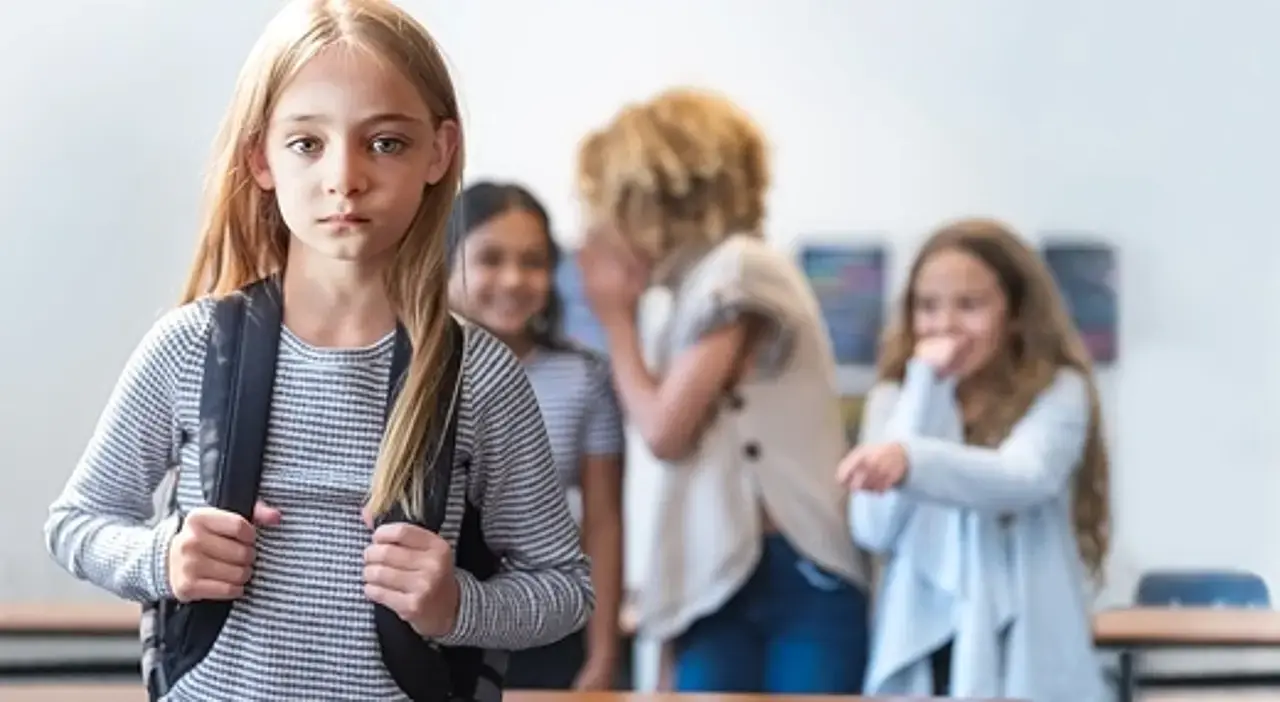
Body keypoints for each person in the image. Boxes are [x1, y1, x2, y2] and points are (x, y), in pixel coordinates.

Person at [42, 1, 592, 700]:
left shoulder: (478, 376)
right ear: (260, 157)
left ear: (439, 152)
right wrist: (164, 555)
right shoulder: (189, 348)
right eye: (307, 142)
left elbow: (564, 588)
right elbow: (76, 525)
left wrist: (457, 606)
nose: (345, 177)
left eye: (385, 142)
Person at [573, 87, 871, 694]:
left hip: (794, 570)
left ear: (655, 194)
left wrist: (615, 318)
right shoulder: (693, 289)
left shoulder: (740, 268)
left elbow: (664, 429)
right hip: (724, 574)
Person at [838, 218, 1110, 701]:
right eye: (928, 306)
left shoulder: (1058, 392)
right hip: (926, 649)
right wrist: (922, 387)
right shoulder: (894, 399)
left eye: (970, 305)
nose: (944, 326)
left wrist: (909, 460)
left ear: (1016, 311)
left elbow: (1023, 477)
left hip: (1026, 648)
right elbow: (873, 526)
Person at [446, 181, 625, 690]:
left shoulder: (585, 376)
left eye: (533, 261)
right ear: (445, 260)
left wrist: (604, 654)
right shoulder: (408, 370)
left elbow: (603, 524)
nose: (513, 279)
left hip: (546, 625)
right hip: (431, 620)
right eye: (490, 258)